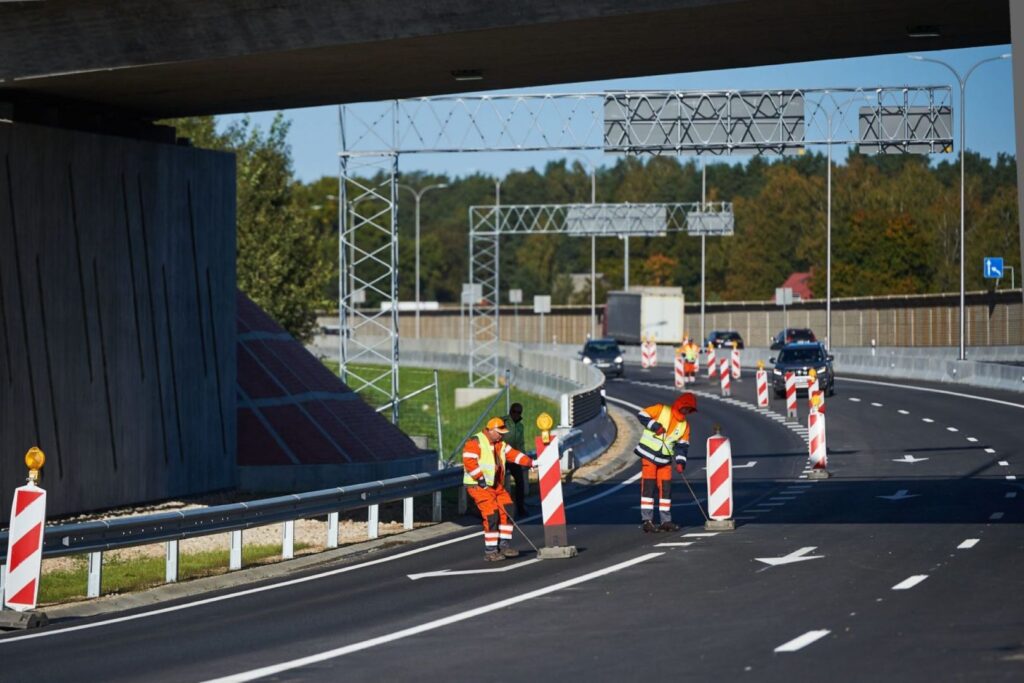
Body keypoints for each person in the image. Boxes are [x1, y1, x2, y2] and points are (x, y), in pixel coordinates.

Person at [463, 417, 535, 561]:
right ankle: (491, 551)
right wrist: (480, 478)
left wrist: (530, 462)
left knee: (508, 509)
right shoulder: (476, 442)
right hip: (478, 486)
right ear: (490, 430)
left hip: (496, 486)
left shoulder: (500, 444)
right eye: (499, 432)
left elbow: (514, 454)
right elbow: (468, 460)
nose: (502, 435)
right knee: (491, 515)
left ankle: (504, 546)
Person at [634, 392, 697, 533]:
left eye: (689, 409)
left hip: (665, 460)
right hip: (649, 455)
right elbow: (642, 414)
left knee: (666, 490)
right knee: (648, 488)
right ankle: (647, 521)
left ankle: (665, 521)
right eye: (685, 407)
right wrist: (655, 426)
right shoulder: (661, 409)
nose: (686, 411)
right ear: (680, 405)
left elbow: (682, 446)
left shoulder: (685, 426)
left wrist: (680, 462)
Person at [503, 402, 529, 516]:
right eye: (514, 412)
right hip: (502, 458)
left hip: (513, 458)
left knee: (520, 483)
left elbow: (520, 443)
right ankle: (499, 508)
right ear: (510, 411)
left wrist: (523, 458)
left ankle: (520, 507)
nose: (516, 414)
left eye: (519, 412)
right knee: (499, 484)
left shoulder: (520, 426)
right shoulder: (503, 422)